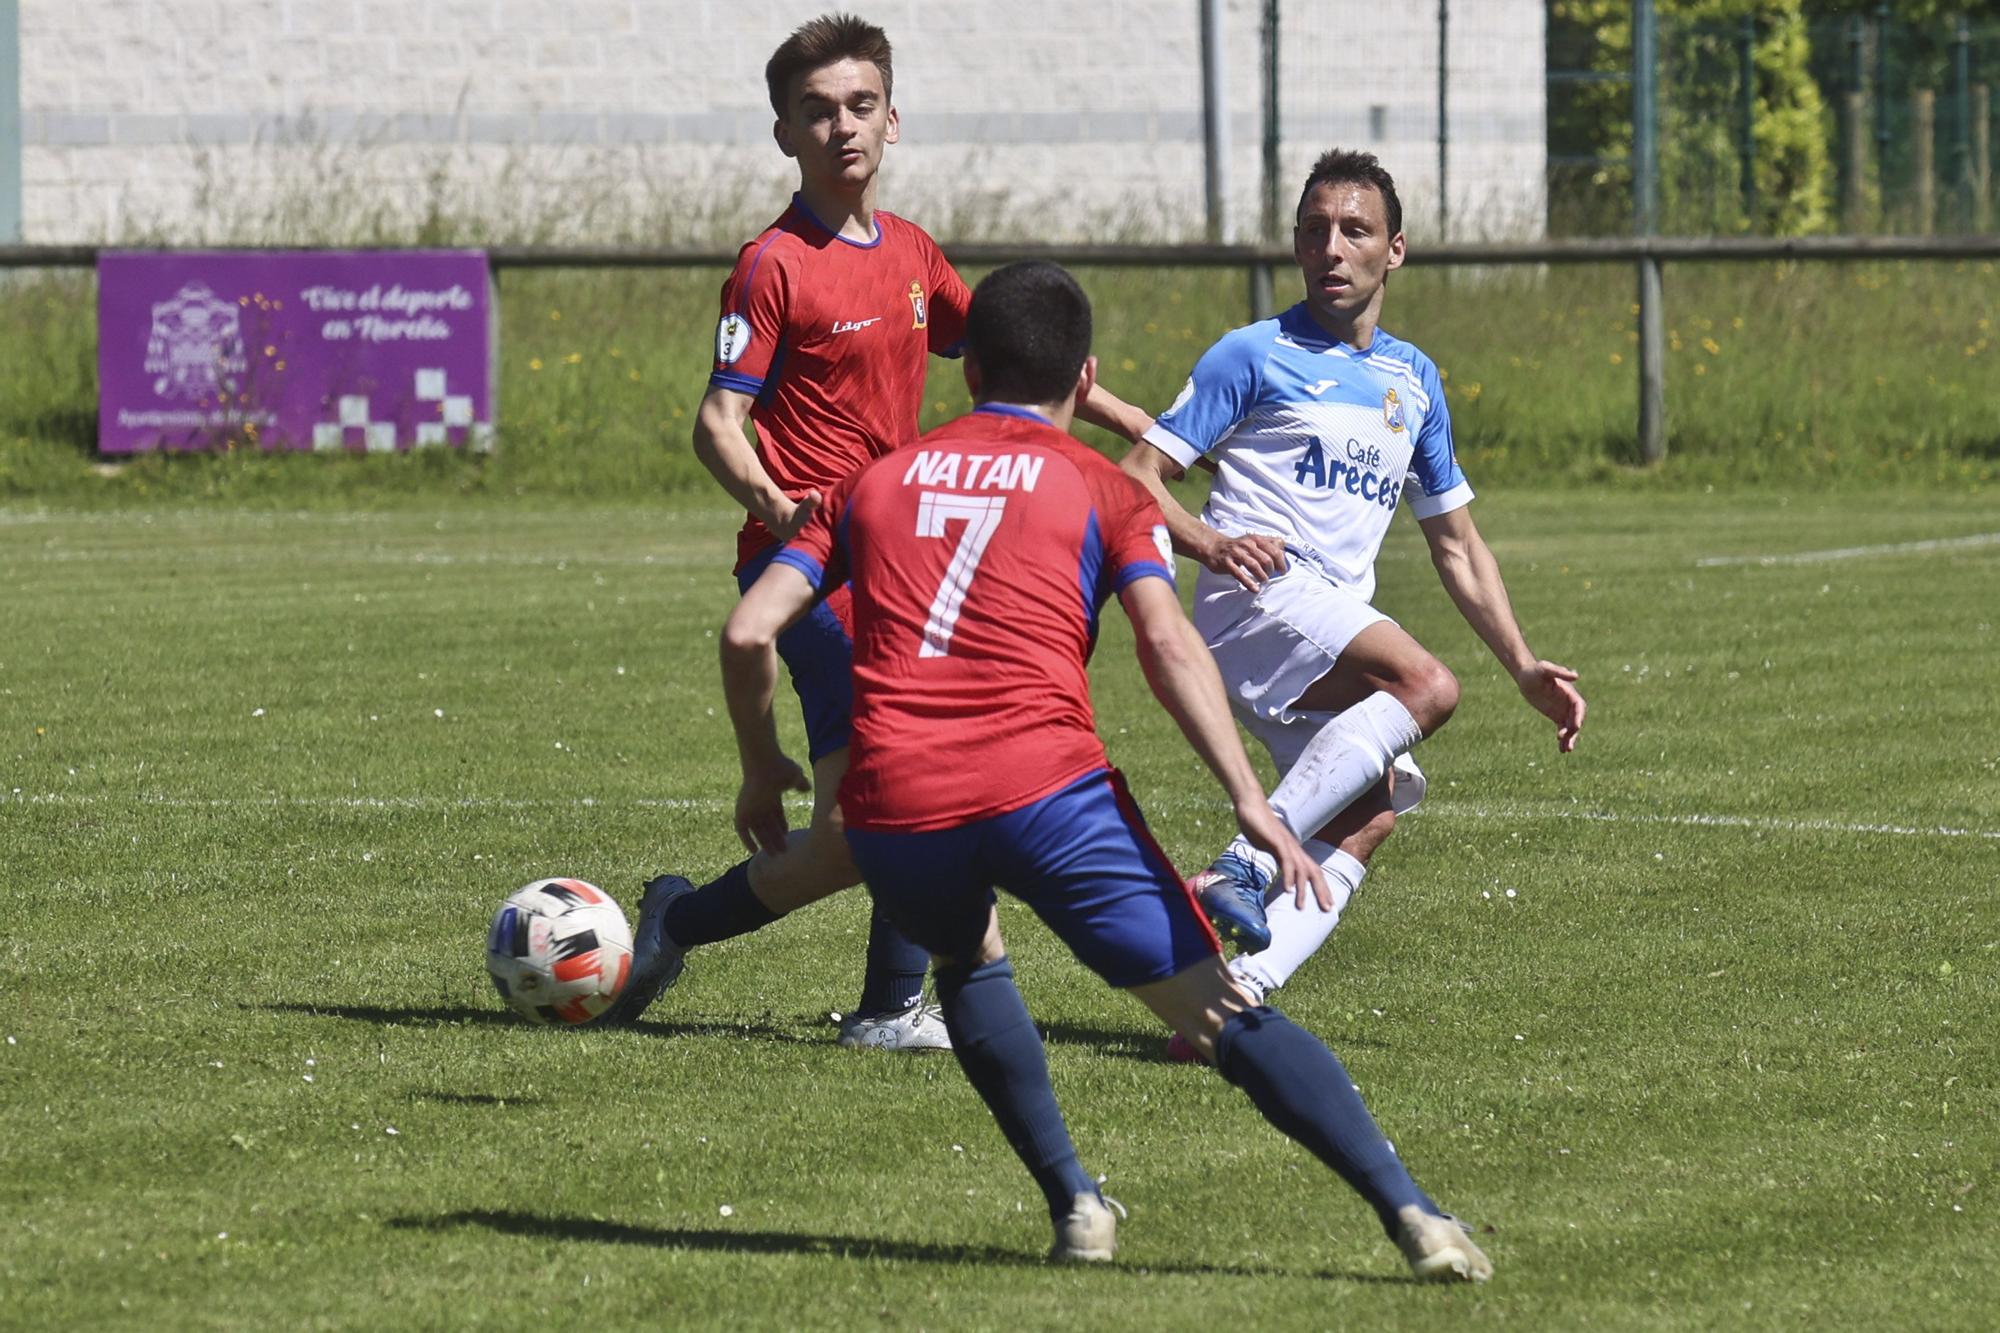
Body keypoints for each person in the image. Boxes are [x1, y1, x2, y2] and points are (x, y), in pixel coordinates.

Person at [718, 259, 1493, 1279]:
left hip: (896, 801)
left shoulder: (870, 482)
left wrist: (763, 767)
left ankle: (1075, 1203)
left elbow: (748, 630)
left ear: (966, 371)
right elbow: (1167, 648)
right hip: (1047, 792)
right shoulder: (1096, 483)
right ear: (1083, 379)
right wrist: (1249, 802)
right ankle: (1416, 1219)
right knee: (1218, 1013)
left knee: (966, 964)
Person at [599, 14, 1150, 1044]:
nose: (840, 127)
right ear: (783, 135)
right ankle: (892, 1006)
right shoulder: (771, 266)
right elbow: (717, 420)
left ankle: (684, 919)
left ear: (892, 122)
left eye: (858, 107)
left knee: (855, 831)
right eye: (816, 112)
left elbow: (1018, 367)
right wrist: (775, 505)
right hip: (804, 573)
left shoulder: (908, 253)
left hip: (892, 566)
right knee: (913, 784)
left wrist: (1131, 422)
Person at [1118, 149, 1585, 1016]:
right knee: (1428, 684)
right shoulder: (1252, 354)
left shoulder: (1415, 380)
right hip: (1256, 604)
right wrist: (1209, 541)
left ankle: (1231, 1002)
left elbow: (1456, 542)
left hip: (1326, 621)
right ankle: (1242, 865)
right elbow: (1137, 475)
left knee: (1372, 808)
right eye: (1314, 231)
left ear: (1393, 250)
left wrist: (1522, 662)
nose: (1331, 248)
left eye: (1354, 230)